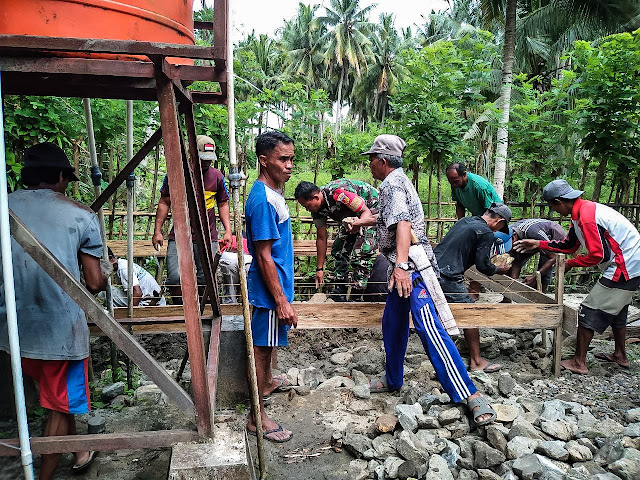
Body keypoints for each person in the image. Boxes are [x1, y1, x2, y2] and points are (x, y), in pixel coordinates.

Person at [351, 134, 496, 426]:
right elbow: (389, 217)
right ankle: (393, 379)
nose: (369, 164)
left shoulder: (391, 184)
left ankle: (470, 393)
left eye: (371, 159)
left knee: (429, 327)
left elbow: (403, 223)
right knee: (393, 323)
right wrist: (362, 220)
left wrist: (402, 268)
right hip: (402, 264)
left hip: (410, 266)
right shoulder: (398, 181)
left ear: (382, 161)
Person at [0, 143, 107, 479]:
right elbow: (93, 281)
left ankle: (80, 452)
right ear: (60, 176)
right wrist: (107, 270)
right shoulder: (80, 214)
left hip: (12, 332)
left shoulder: (5, 206)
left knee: (61, 397)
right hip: (60, 333)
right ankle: (42, 476)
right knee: (59, 406)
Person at [514, 179, 640, 375]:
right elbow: (570, 246)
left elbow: (598, 255)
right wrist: (539, 244)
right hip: (629, 262)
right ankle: (620, 355)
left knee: (588, 310)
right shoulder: (580, 213)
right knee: (618, 311)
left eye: (552, 206)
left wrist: (569, 263)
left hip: (624, 266)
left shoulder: (587, 217)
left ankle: (579, 362)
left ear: (559, 201)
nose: (554, 211)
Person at [245, 131, 297, 442]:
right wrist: (280, 300)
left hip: (275, 289)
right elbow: (263, 255)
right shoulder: (262, 200)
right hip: (268, 294)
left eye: (291, 158)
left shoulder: (274, 194)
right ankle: (257, 414)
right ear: (264, 160)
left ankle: (264, 384)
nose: (290, 165)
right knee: (261, 349)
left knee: (268, 345)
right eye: (283, 159)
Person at [152, 135, 232, 303]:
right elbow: (165, 202)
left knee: (206, 279)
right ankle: (181, 314)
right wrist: (157, 230)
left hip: (207, 235)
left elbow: (223, 203)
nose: (206, 163)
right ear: (191, 153)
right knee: (175, 277)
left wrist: (228, 230)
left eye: (209, 159)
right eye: (203, 158)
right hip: (180, 235)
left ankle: (202, 315)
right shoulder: (176, 173)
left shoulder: (217, 176)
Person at [433, 204, 512, 373]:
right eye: (501, 228)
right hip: (449, 275)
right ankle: (476, 361)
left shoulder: (466, 221)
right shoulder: (485, 232)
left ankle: (440, 354)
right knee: (470, 312)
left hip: (433, 269)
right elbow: (483, 266)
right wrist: (499, 269)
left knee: (439, 311)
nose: (498, 231)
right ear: (500, 221)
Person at [294, 179, 378, 300]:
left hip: (371, 212)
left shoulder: (340, 194)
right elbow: (321, 238)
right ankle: (340, 290)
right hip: (350, 219)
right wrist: (319, 268)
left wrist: (358, 225)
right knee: (339, 248)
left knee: (362, 251)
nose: (307, 210)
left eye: (307, 206)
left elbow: (366, 211)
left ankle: (356, 294)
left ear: (316, 197)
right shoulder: (316, 210)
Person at [508, 218, 566, 292]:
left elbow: (554, 257)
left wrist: (535, 276)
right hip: (526, 240)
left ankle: (539, 299)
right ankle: (507, 298)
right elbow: (516, 261)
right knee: (512, 263)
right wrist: (513, 281)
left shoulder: (532, 232)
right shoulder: (506, 233)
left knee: (544, 270)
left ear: (514, 236)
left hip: (550, 238)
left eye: (509, 244)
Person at [218, 234, 253, 304]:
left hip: (228, 256)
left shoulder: (229, 239)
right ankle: (248, 302)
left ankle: (230, 303)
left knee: (230, 284)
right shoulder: (248, 240)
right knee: (248, 284)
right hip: (247, 257)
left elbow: (218, 245)